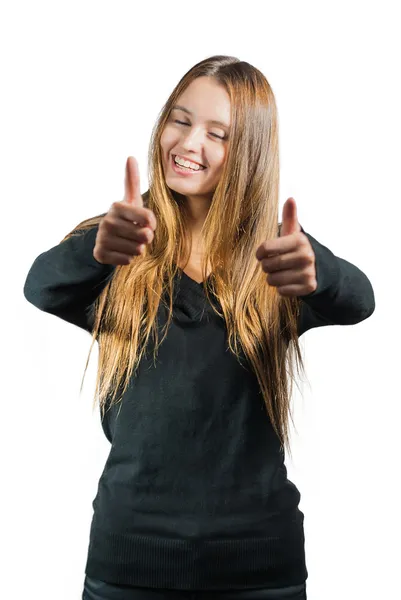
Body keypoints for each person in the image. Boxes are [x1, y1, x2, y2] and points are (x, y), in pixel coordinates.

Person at [23, 55, 375, 600]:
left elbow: (359, 300)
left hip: (260, 569)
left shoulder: (276, 255)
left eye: (219, 134)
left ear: (250, 153)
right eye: (180, 120)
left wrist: (318, 272)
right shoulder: (119, 241)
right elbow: (42, 286)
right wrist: (97, 253)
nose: (190, 144)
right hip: (130, 565)